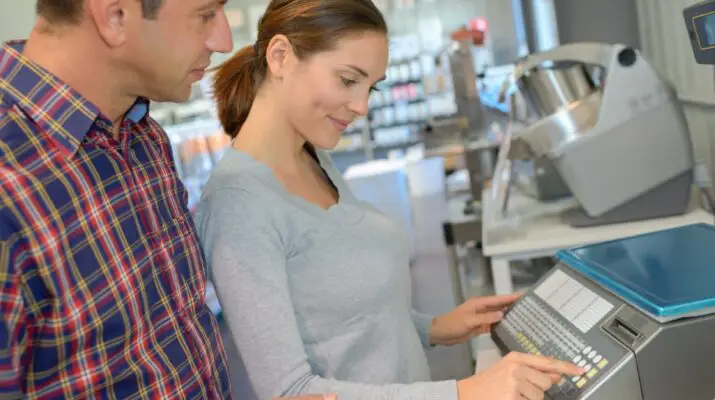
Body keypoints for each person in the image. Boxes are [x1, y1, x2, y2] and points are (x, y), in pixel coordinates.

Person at [194, 0, 584, 399]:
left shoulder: (314, 158)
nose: (361, 107)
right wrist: (464, 392)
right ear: (280, 57)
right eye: (348, 80)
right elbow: (292, 391)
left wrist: (433, 327)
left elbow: (343, 324)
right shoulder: (237, 206)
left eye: (370, 87)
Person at [0, 0, 239, 398]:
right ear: (115, 16)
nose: (224, 40)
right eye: (205, 14)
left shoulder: (143, 136)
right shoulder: (11, 184)